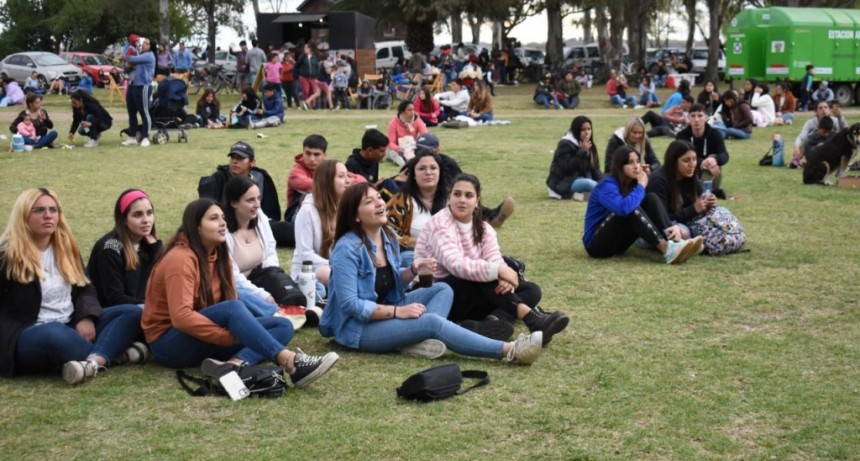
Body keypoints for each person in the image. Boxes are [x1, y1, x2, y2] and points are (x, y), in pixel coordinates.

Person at [320, 182, 543, 364]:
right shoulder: (346, 250)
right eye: (370, 201)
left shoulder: (386, 236)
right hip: (358, 328)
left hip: (388, 305)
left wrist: (412, 270)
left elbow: (384, 280)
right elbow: (351, 304)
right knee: (432, 323)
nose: (380, 203)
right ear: (355, 216)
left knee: (442, 289)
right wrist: (398, 312)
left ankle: (416, 340)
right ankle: (509, 351)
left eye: (379, 197)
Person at [141, 199, 339, 387]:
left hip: (204, 333)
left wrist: (243, 330)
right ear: (196, 226)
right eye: (213, 219)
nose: (222, 223)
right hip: (169, 344)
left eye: (222, 218)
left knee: (282, 325)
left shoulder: (219, 254)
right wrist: (225, 336)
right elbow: (181, 317)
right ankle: (290, 362)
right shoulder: (180, 259)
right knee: (235, 310)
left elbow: (229, 299)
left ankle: (234, 365)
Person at [0, 188, 144, 384]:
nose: (48, 215)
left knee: (133, 312)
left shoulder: (65, 247)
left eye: (53, 210)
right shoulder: (7, 255)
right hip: (29, 332)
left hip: (70, 322)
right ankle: (117, 355)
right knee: (55, 334)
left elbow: (85, 286)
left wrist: (85, 317)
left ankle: (92, 362)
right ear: (23, 215)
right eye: (39, 210)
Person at [414, 174, 569, 344]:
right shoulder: (440, 224)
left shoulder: (484, 228)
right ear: (449, 197)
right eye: (457, 194)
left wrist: (505, 278)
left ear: (477, 201)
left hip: (473, 296)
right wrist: (499, 271)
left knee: (531, 290)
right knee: (484, 276)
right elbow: (456, 265)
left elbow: (493, 257)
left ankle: (489, 322)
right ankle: (532, 319)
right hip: (441, 295)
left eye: (468, 195)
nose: (462, 200)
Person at [582, 146, 703, 264]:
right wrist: (640, 186)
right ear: (620, 166)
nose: (636, 166)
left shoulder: (631, 184)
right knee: (631, 208)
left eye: (638, 161)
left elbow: (648, 207)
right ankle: (667, 249)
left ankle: (675, 241)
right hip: (596, 245)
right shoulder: (607, 185)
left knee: (651, 198)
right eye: (630, 162)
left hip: (619, 246)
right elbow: (623, 209)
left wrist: (671, 225)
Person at [222, 176, 302, 319]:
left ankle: (299, 311)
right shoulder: (223, 231)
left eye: (258, 198)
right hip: (235, 285)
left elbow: (270, 249)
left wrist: (273, 276)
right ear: (234, 203)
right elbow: (232, 276)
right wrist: (262, 294)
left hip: (260, 275)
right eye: (250, 200)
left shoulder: (259, 217)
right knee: (247, 299)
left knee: (295, 291)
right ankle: (277, 313)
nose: (257, 204)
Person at [198, 141, 294, 247]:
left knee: (285, 229)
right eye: (232, 157)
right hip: (229, 225)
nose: (235, 162)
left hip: (257, 221)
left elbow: (269, 211)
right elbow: (209, 209)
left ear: (252, 162)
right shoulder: (219, 178)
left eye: (240, 158)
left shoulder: (260, 177)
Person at [87, 189, 162, 308]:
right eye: (137, 215)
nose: (146, 220)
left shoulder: (149, 245)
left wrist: (156, 249)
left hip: (140, 310)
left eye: (149, 213)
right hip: (113, 314)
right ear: (124, 220)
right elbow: (115, 298)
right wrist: (154, 306)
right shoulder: (110, 247)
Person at [290, 159, 351, 297]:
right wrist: (335, 263)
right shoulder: (307, 211)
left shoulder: (345, 208)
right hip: (309, 271)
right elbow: (305, 254)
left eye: (347, 175)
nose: (348, 180)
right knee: (327, 276)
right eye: (341, 176)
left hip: (338, 266)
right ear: (327, 181)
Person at [646, 141, 717, 239]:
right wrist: (693, 210)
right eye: (686, 160)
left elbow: (701, 201)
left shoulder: (691, 176)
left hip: (685, 221)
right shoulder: (658, 181)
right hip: (658, 228)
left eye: (694, 159)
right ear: (674, 162)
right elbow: (663, 219)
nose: (692, 165)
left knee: (722, 211)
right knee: (684, 232)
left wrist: (708, 203)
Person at [675, 103, 730, 200]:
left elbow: (724, 155)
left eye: (700, 116)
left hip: (709, 171)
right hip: (689, 170)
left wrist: (715, 159)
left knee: (713, 159)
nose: (696, 119)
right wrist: (702, 163)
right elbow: (679, 157)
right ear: (688, 118)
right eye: (693, 116)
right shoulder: (682, 136)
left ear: (706, 117)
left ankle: (705, 192)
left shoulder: (715, 134)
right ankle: (706, 191)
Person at [546, 115, 603, 198]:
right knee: (589, 184)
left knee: (604, 183)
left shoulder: (590, 145)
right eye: (583, 130)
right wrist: (582, 151)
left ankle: (581, 195)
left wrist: (603, 180)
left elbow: (595, 168)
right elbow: (568, 167)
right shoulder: (565, 144)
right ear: (576, 130)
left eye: (589, 129)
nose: (587, 132)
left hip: (581, 177)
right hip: (565, 181)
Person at [121, 37, 155, 147]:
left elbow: (131, 59)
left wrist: (123, 56)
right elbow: (129, 64)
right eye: (143, 43)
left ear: (151, 46)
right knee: (131, 112)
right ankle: (132, 137)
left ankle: (146, 137)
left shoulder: (149, 56)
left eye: (147, 44)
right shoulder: (140, 54)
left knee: (144, 112)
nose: (144, 45)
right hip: (132, 85)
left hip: (143, 86)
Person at [387, 100, 428, 167]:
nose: (412, 112)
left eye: (413, 109)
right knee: (401, 162)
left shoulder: (417, 120)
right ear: (402, 112)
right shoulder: (393, 123)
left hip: (412, 148)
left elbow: (426, 136)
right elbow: (391, 142)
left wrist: (418, 145)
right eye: (409, 110)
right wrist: (398, 149)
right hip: (398, 150)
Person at [295, 43, 320, 110]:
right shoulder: (302, 56)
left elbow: (317, 67)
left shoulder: (314, 57)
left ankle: (312, 105)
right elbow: (298, 63)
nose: (306, 49)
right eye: (305, 48)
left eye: (307, 48)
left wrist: (316, 76)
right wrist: (304, 54)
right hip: (304, 76)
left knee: (313, 91)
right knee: (305, 91)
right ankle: (304, 104)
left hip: (313, 77)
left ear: (310, 49)